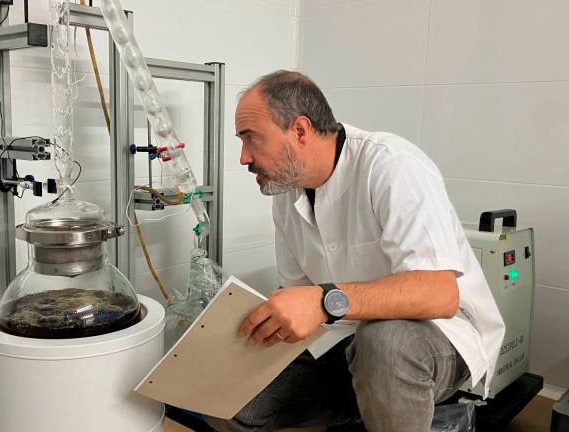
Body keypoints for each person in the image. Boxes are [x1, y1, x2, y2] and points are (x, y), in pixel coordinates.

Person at [204, 71, 505, 432]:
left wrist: (322, 301)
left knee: (385, 343)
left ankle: (394, 400)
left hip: (437, 336)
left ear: (300, 131)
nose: (243, 158)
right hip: (345, 337)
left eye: (251, 139)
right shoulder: (287, 194)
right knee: (232, 398)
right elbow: (298, 295)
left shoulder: (391, 165)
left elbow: (440, 294)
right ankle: (372, 405)